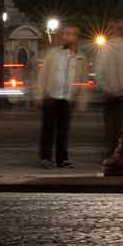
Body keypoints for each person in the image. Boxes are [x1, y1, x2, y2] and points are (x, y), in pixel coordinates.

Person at [35, 27, 78, 168]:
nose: (69, 37)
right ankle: (46, 157)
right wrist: (40, 93)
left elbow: (78, 77)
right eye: (67, 34)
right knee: (48, 129)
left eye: (72, 35)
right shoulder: (53, 54)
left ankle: (62, 158)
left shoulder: (77, 56)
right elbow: (43, 75)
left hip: (66, 97)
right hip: (51, 95)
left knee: (63, 130)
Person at [92, 29, 123, 159]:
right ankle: (118, 148)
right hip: (122, 92)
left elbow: (99, 70)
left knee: (110, 124)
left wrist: (105, 87)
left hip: (110, 92)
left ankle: (111, 149)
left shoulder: (105, 48)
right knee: (120, 123)